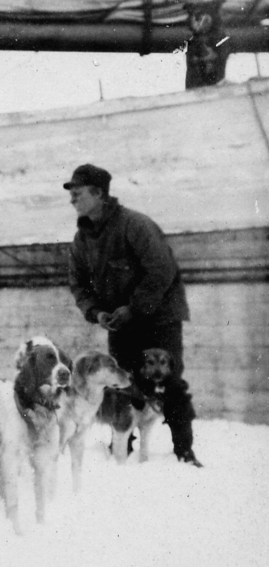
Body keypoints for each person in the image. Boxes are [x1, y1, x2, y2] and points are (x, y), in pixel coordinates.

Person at [64, 163, 201, 466]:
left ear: (99, 194)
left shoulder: (135, 225)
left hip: (159, 318)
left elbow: (161, 270)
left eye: (78, 193)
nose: (72, 200)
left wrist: (134, 307)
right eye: (71, 194)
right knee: (123, 383)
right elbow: (78, 284)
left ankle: (184, 452)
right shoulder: (81, 241)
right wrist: (96, 313)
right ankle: (122, 447)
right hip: (120, 322)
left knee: (168, 382)